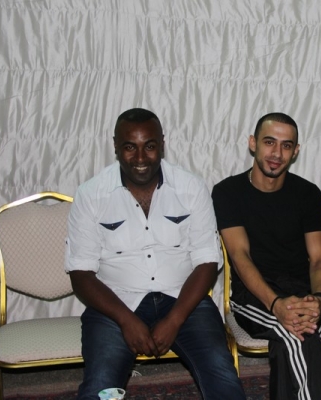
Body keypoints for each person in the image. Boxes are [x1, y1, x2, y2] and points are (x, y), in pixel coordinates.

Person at [65, 108, 245, 400]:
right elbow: (81, 274)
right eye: (129, 147)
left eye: (149, 146)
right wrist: (126, 320)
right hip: (115, 305)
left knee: (222, 376)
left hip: (184, 301)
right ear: (115, 146)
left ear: (162, 144)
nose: (140, 158)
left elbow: (207, 262)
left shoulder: (190, 188)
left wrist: (175, 320)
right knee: (101, 386)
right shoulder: (91, 194)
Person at [211, 112, 321, 400]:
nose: (277, 153)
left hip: (302, 294)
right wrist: (276, 304)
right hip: (253, 297)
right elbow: (240, 257)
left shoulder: (308, 193)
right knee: (297, 334)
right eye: (269, 142)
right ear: (252, 143)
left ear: (296, 151)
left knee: (293, 338)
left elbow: (319, 259)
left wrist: (319, 299)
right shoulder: (228, 192)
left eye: (286, 145)